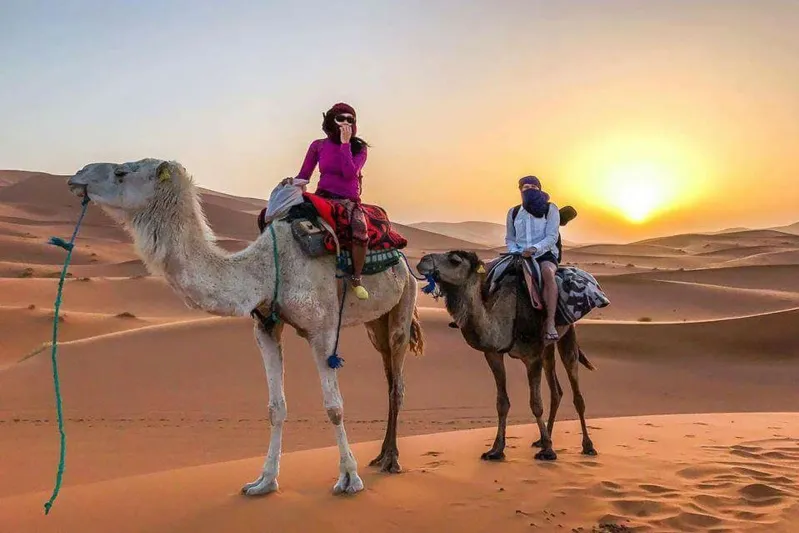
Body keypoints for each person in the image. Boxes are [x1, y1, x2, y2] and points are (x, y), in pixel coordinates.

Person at [282, 102, 371, 300]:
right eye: (341, 119)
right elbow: (304, 175)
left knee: (360, 230)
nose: (346, 123)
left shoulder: (359, 148)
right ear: (332, 121)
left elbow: (349, 173)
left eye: (350, 120)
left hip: (348, 201)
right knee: (289, 219)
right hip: (323, 196)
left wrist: (345, 144)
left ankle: (356, 278)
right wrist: (291, 183)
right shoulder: (318, 145)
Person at [505, 175, 561, 342]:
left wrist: (534, 249)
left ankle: (550, 322)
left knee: (547, 273)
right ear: (521, 190)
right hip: (518, 254)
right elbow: (510, 238)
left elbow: (552, 237)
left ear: (539, 189)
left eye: (533, 187)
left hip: (544, 254)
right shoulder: (514, 212)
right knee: (487, 270)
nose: (530, 190)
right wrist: (515, 251)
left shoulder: (550, 209)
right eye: (526, 187)